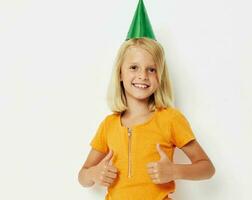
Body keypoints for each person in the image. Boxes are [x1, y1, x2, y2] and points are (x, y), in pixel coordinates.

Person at [78, 1, 215, 199]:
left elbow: (207, 168)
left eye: (151, 69)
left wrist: (174, 171)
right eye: (134, 67)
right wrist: (93, 173)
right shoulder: (108, 125)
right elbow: (82, 176)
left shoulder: (170, 119)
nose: (143, 75)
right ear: (120, 74)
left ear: (160, 76)